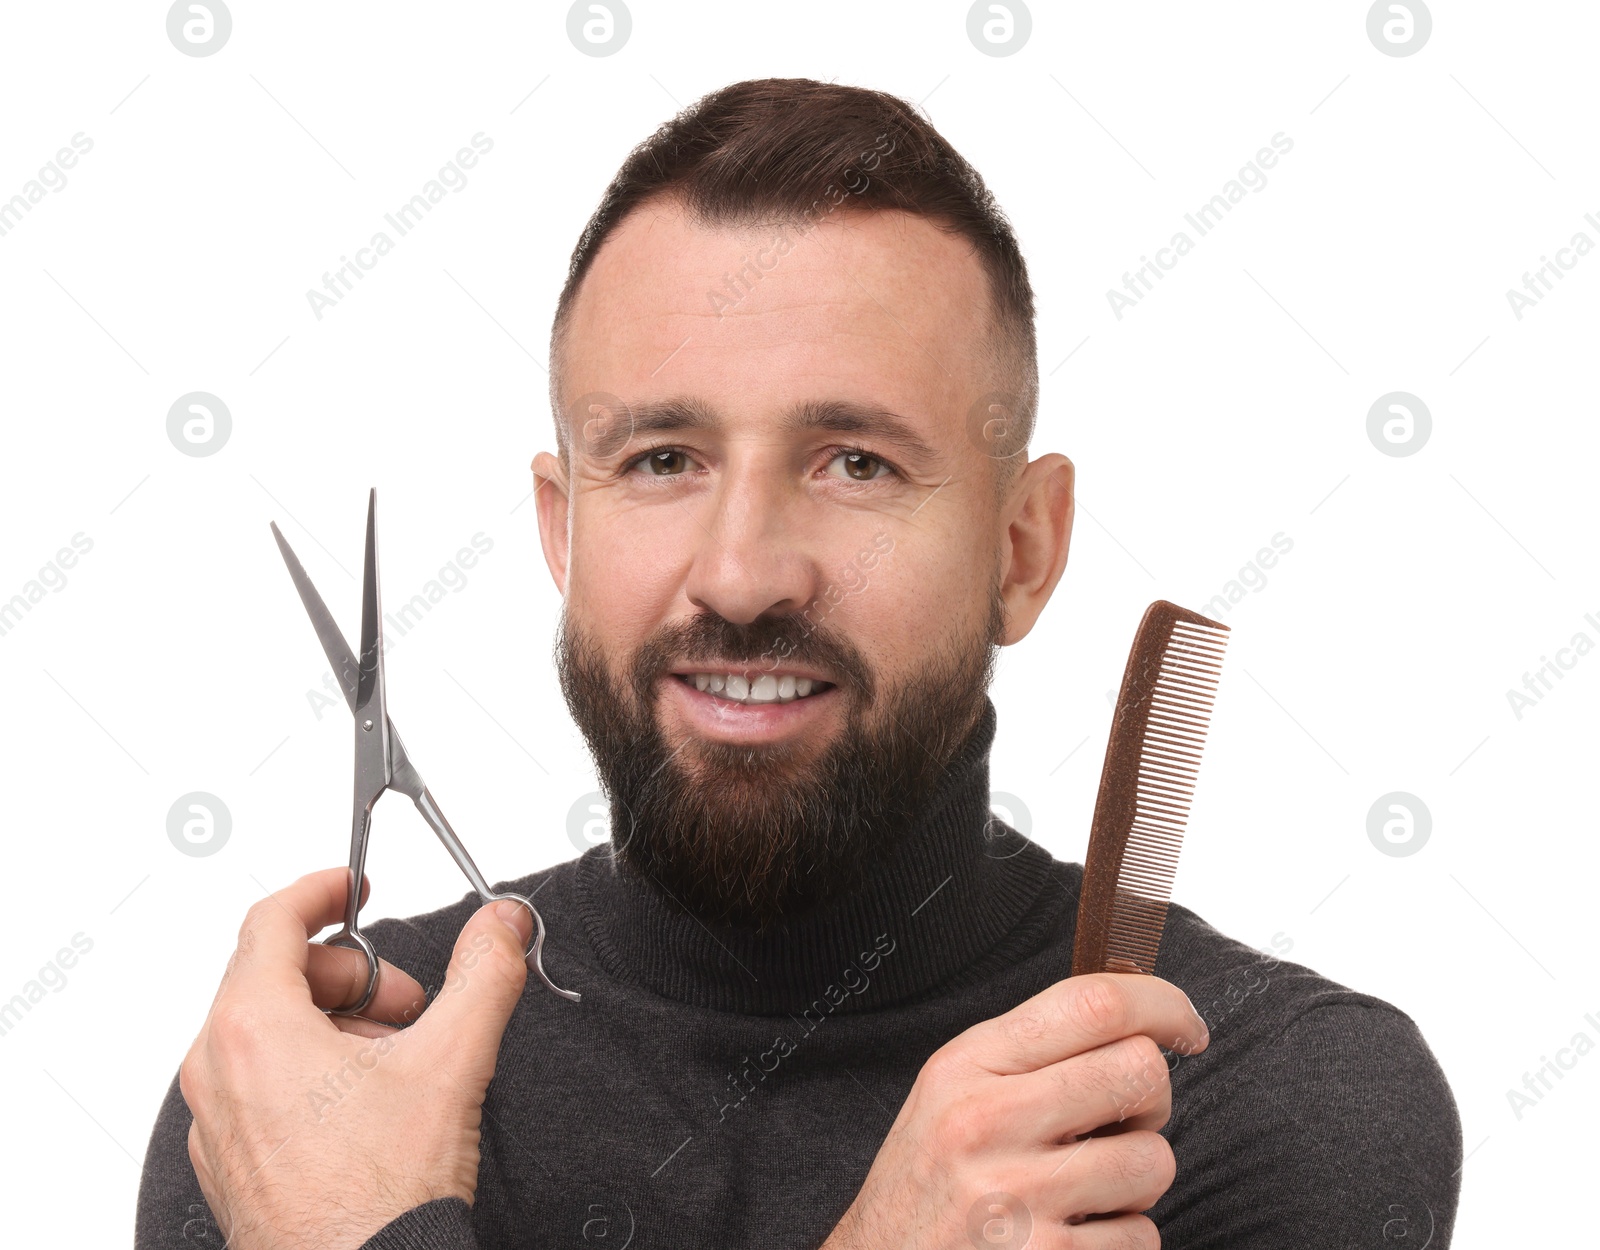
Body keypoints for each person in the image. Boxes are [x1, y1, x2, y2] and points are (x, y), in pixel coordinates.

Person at [136, 78, 1462, 1248]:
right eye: (663, 459)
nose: (741, 571)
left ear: (1022, 545)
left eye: (855, 463)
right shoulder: (300, 1090)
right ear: (563, 526)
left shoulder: (1265, 1101)